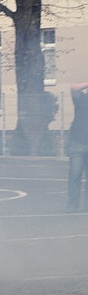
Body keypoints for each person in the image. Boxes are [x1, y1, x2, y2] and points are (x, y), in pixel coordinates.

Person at [66, 82, 88, 212]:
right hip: (77, 143)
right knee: (75, 174)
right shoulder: (82, 99)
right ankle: (72, 204)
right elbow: (73, 87)